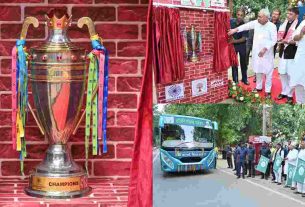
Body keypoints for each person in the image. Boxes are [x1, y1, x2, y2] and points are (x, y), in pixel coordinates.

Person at [228, 9, 277, 99]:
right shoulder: (256, 23)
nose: (258, 18)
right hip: (257, 52)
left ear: (266, 17)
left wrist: (265, 49)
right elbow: (246, 26)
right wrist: (235, 30)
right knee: (258, 70)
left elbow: (274, 40)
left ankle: (268, 91)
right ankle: (258, 87)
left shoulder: (272, 26)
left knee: (268, 72)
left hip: (266, 53)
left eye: (260, 16)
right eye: (258, 16)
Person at [277, 7, 299, 104]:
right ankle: (284, 91)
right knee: (282, 73)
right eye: (288, 13)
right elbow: (280, 36)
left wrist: (289, 41)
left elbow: (299, 41)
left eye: (291, 14)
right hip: (283, 50)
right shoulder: (284, 24)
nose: (288, 15)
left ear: (296, 15)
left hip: (292, 52)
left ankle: (290, 94)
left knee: (290, 74)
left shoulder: (299, 25)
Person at [230, 9, 249, 85]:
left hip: (242, 45)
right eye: (238, 14)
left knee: (243, 63)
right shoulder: (231, 21)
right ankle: (235, 80)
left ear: (244, 16)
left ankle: (244, 79)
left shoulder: (245, 25)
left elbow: (243, 39)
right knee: (234, 63)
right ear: (236, 14)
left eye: (241, 15)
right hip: (233, 46)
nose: (239, 16)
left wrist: (233, 41)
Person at [289, 19, 305, 103]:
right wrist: (301, 33)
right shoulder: (303, 23)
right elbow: (294, 38)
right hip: (300, 59)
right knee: (299, 82)